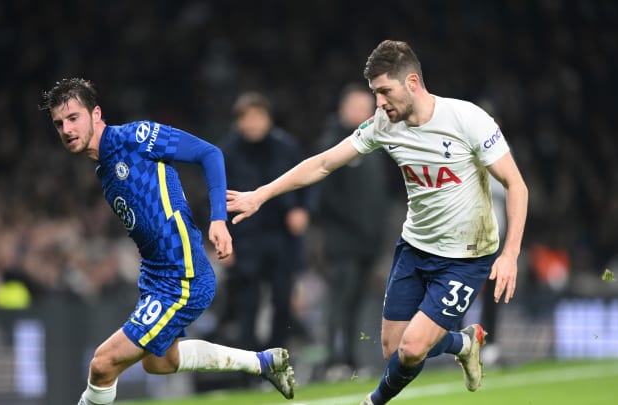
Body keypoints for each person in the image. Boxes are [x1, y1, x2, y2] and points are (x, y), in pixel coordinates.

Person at [226, 39, 528, 405]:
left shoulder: (468, 119)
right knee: (393, 348)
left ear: (412, 83)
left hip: (467, 254)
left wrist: (509, 254)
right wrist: (262, 194)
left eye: (384, 91)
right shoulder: (384, 125)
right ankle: (463, 342)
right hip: (415, 247)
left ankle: (373, 401)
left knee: (414, 348)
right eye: (374, 93)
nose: (379, 102)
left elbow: (516, 185)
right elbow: (323, 163)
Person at [39, 78, 295, 405]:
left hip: (182, 276)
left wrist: (218, 218)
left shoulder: (135, 137)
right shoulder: (104, 169)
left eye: (74, 118)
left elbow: (209, 153)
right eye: (59, 123)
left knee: (103, 364)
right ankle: (263, 363)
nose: (67, 129)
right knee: (159, 362)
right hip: (156, 277)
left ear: (96, 114)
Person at [218, 91, 310, 351]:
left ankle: (276, 355)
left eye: (258, 117)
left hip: (281, 236)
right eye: (247, 118)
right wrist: (222, 235)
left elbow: (306, 182)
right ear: (237, 121)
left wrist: (302, 209)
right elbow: (213, 197)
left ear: (269, 119)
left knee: (283, 300)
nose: (253, 123)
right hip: (244, 237)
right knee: (247, 305)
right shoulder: (225, 152)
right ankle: (250, 365)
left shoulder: (286, 146)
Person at [314, 83, 391, 376]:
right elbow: (325, 197)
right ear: (342, 110)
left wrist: (376, 232)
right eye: (357, 107)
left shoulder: (375, 145)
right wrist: (355, 226)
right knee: (340, 301)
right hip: (342, 242)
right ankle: (334, 361)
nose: (363, 113)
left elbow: (380, 196)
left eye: (367, 108)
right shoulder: (331, 143)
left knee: (359, 303)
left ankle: (352, 360)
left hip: (368, 243)